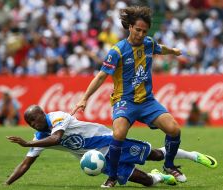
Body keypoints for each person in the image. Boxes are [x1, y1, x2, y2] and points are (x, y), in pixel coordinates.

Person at [71, 6, 185, 187]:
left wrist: (173, 51)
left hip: (147, 101)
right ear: (130, 27)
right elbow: (101, 76)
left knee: (174, 129)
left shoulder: (149, 43)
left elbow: (160, 48)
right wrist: (84, 98)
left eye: (144, 31)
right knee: (118, 134)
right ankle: (113, 176)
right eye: (138, 29)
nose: (140, 34)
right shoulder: (117, 51)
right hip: (124, 101)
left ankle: (169, 165)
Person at [5, 105, 217, 187]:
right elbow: (26, 164)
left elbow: (56, 138)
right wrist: (7, 183)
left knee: (155, 155)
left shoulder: (59, 117)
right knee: (145, 181)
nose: (35, 123)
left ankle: (191, 155)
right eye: (30, 122)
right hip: (98, 160)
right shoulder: (39, 136)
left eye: (36, 118)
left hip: (108, 141)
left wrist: (27, 142)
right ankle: (160, 177)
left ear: (43, 113)